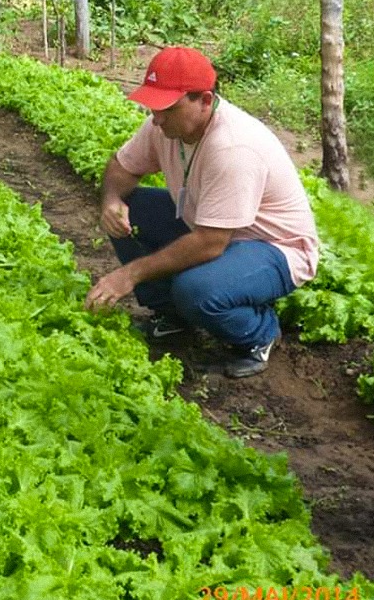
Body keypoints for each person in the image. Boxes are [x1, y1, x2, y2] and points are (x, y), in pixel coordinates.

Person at [84, 46, 319, 378]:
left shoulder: (233, 147)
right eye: (153, 105)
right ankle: (173, 317)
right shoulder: (164, 126)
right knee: (130, 208)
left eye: (167, 107)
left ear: (205, 101)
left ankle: (260, 334)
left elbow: (210, 243)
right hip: (210, 223)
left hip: (274, 248)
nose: (156, 116)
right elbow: (121, 167)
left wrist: (130, 274)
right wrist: (110, 201)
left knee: (195, 290)